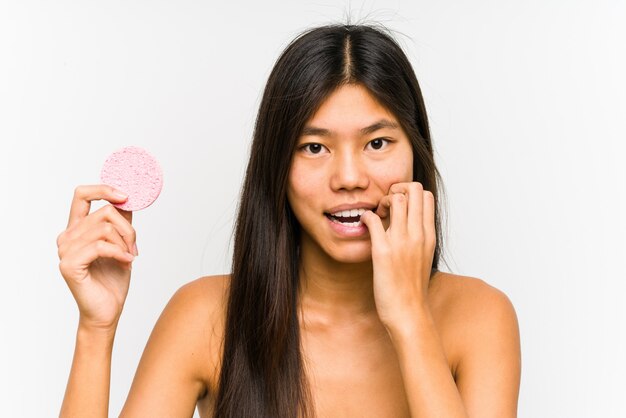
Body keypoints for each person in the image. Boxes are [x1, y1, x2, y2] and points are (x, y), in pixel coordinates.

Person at [57, 23, 521, 418]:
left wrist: (409, 317)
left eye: (377, 143)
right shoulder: (205, 316)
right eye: (314, 147)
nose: (349, 178)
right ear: (277, 165)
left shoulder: (479, 318)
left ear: (415, 155)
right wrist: (95, 330)